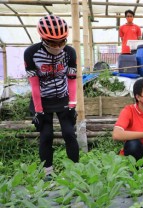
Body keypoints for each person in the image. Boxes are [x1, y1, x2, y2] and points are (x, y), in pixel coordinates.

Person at [24, 15, 79, 178]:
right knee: (46, 135)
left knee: (69, 133)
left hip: (62, 96)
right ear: (42, 38)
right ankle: (48, 173)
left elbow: (72, 80)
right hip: (42, 99)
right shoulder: (31, 53)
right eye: (53, 42)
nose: (58, 46)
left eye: (62, 41)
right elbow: (34, 83)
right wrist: (38, 111)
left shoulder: (70, 52)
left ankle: (75, 170)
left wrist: (72, 105)